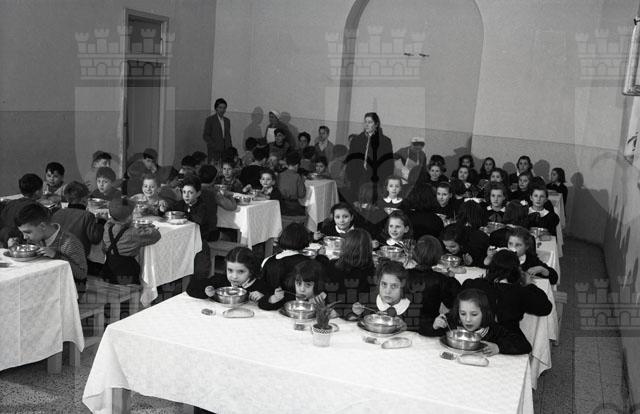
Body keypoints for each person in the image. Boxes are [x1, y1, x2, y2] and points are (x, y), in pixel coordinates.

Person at [462, 250, 552, 332]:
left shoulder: (473, 284)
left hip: (472, 332)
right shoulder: (519, 292)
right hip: (506, 338)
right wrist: (529, 285)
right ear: (516, 270)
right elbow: (545, 308)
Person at [429, 288, 532, 356]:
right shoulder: (451, 322)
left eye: (474, 314)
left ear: (485, 313)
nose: (468, 319)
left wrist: (499, 347)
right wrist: (434, 326)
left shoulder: (493, 329)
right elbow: (423, 328)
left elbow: (524, 345)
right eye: (463, 313)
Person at [13, 203, 87, 292]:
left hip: (66, 291)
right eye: (22, 233)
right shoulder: (36, 238)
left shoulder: (69, 243)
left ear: (42, 226)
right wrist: (15, 245)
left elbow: (82, 274)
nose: (24, 237)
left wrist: (56, 255)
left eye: (28, 232)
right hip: (42, 284)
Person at [100, 197, 161, 285]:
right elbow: (156, 235)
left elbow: (112, 222)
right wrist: (148, 228)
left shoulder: (107, 227)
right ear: (129, 217)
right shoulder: (134, 233)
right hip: (127, 276)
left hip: (108, 273)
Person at [409, 236, 461, 335]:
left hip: (405, 323)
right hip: (431, 326)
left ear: (414, 253)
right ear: (438, 257)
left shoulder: (404, 275)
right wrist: (451, 279)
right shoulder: (441, 279)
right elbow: (453, 303)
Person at [344, 112, 394, 204]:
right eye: (365, 122)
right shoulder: (357, 140)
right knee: (357, 203)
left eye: (370, 122)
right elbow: (351, 159)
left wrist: (385, 180)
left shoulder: (385, 141)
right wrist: (350, 175)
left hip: (377, 177)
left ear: (376, 124)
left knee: (373, 203)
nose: (366, 125)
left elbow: (389, 163)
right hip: (358, 176)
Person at [186, 246, 266, 301]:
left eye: (240, 272)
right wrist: (206, 291)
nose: (234, 276)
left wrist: (263, 298)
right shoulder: (221, 280)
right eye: (230, 270)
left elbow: (271, 301)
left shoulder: (260, 286)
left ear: (251, 271)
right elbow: (191, 288)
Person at [173, 176, 216, 277]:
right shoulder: (180, 204)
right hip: (182, 240)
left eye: (190, 192)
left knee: (200, 270)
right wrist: (162, 209)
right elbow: (170, 212)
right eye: (184, 192)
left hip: (199, 241)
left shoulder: (202, 206)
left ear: (198, 193)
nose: (186, 195)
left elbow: (198, 220)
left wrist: (184, 215)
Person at [326, 229, 375, 317]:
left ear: (345, 246)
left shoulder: (332, 265)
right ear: (368, 249)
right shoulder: (371, 271)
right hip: (354, 314)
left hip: (331, 311)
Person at [52, 181, 105, 257]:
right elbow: (95, 239)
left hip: (57, 254)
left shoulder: (58, 213)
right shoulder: (87, 216)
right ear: (84, 199)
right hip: (78, 256)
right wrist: (101, 222)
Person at [260, 223, 312, 302]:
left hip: (270, 302)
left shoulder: (267, 260)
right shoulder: (307, 263)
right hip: (296, 304)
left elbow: (262, 285)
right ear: (305, 241)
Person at [492, 226, 558, 284]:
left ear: (526, 246)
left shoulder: (530, 260)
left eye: (518, 245)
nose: (513, 248)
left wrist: (542, 269)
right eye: (510, 244)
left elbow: (554, 278)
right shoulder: (502, 257)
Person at [259, 259, 328, 311]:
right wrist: (275, 298)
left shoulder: (322, 298)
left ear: (318, 285)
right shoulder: (289, 297)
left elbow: (331, 312)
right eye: (298, 284)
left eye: (308, 285)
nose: (302, 289)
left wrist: (324, 308)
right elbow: (262, 304)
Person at [0, 174, 42, 246]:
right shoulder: (37, 208)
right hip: (22, 244)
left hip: (4, 242)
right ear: (37, 192)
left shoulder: (10, 204)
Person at [203, 98, 232, 163]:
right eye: (220, 107)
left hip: (226, 149)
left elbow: (228, 135)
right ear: (216, 108)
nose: (222, 110)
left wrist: (230, 148)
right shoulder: (210, 120)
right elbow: (205, 135)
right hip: (214, 150)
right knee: (213, 166)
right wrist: (214, 145)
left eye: (224, 108)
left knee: (225, 165)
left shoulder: (227, 121)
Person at [277, 152, 306, 216]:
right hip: (293, 206)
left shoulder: (280, 174)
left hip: (281, 205)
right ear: (297, 165)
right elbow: (301, 195)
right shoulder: (297, 176)